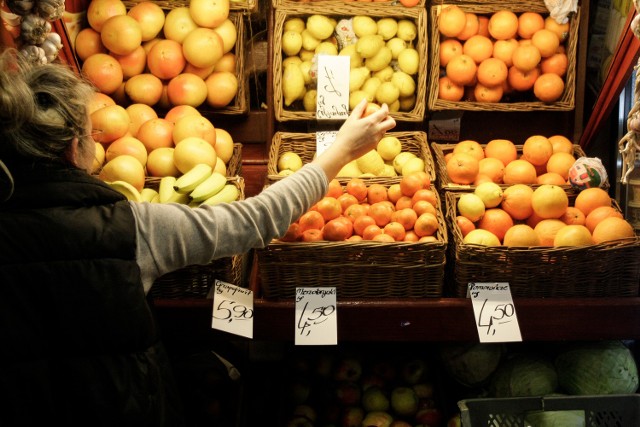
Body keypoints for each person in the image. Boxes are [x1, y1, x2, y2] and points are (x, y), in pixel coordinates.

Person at [0, 47, 396, 426]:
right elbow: (259, 218)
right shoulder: (129, 227)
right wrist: (339, 151)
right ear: (75, 147)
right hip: (119, 408)